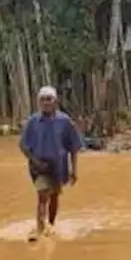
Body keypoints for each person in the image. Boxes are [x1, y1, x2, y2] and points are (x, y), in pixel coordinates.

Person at [19, 86, 82, 242]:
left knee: (54, 196)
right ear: (39, 102)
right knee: (43, 193)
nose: (46, 102)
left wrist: (74, 170)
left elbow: (73, 147)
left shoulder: (65, 121)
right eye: (43, 99)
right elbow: (23, 146)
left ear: (55, 101)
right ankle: (40, 230)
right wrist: (35, 161)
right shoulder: (32, 122)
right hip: (39, 166)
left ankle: (51, 225)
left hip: (58, 166)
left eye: (49, 99)